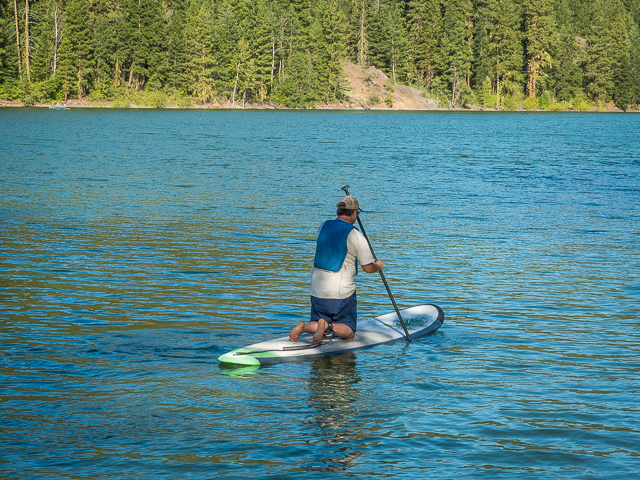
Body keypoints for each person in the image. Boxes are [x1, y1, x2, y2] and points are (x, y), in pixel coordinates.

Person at [289, 195, 384, 344]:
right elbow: (367, 267)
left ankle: (305, 328)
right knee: (349, 332)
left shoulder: (323, 226)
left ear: (338, 211)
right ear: (354, 213)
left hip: (317, 289)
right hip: (341, 294)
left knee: (317, 320)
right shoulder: (355, 234)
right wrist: (378, 266)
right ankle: (328, 326)